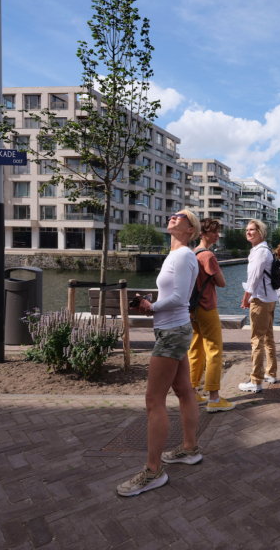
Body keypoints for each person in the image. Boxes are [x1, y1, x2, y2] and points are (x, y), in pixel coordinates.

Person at [117, 210, 202, 497]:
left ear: (191, 229)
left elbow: (181, 298)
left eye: (180, 216)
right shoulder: (177, 254)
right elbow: (173, 295)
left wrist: (151, 307)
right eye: (171, 214)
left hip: (171, 332)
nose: (172, 217)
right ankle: (189, 449)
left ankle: (153, 472)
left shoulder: (182, 256)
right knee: (184, 390)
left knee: (154, 399)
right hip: (173, 328)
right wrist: (152, 301)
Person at [188, 218, 234, 413]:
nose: (218, 235)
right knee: (214, 350)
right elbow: (222, 282)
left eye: (218, 231)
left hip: (192, 309)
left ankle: (192, 391)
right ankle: (214, 397)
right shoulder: (208, 256)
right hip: (207, 307)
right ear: (203, 234)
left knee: (195, 348)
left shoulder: (192, 254)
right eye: (214, 232)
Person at [239, 219, 279, 393]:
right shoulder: (262, 250)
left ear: (260, 232)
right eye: (247, 230)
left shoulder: (260, 252)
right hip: (269, 298)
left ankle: (255, 381)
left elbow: (253, 279)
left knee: (257, 340)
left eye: (252, 229)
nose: (248, 232)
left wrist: (245, 298)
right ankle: (271, 373)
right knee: (268, 338)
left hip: (261, 300)